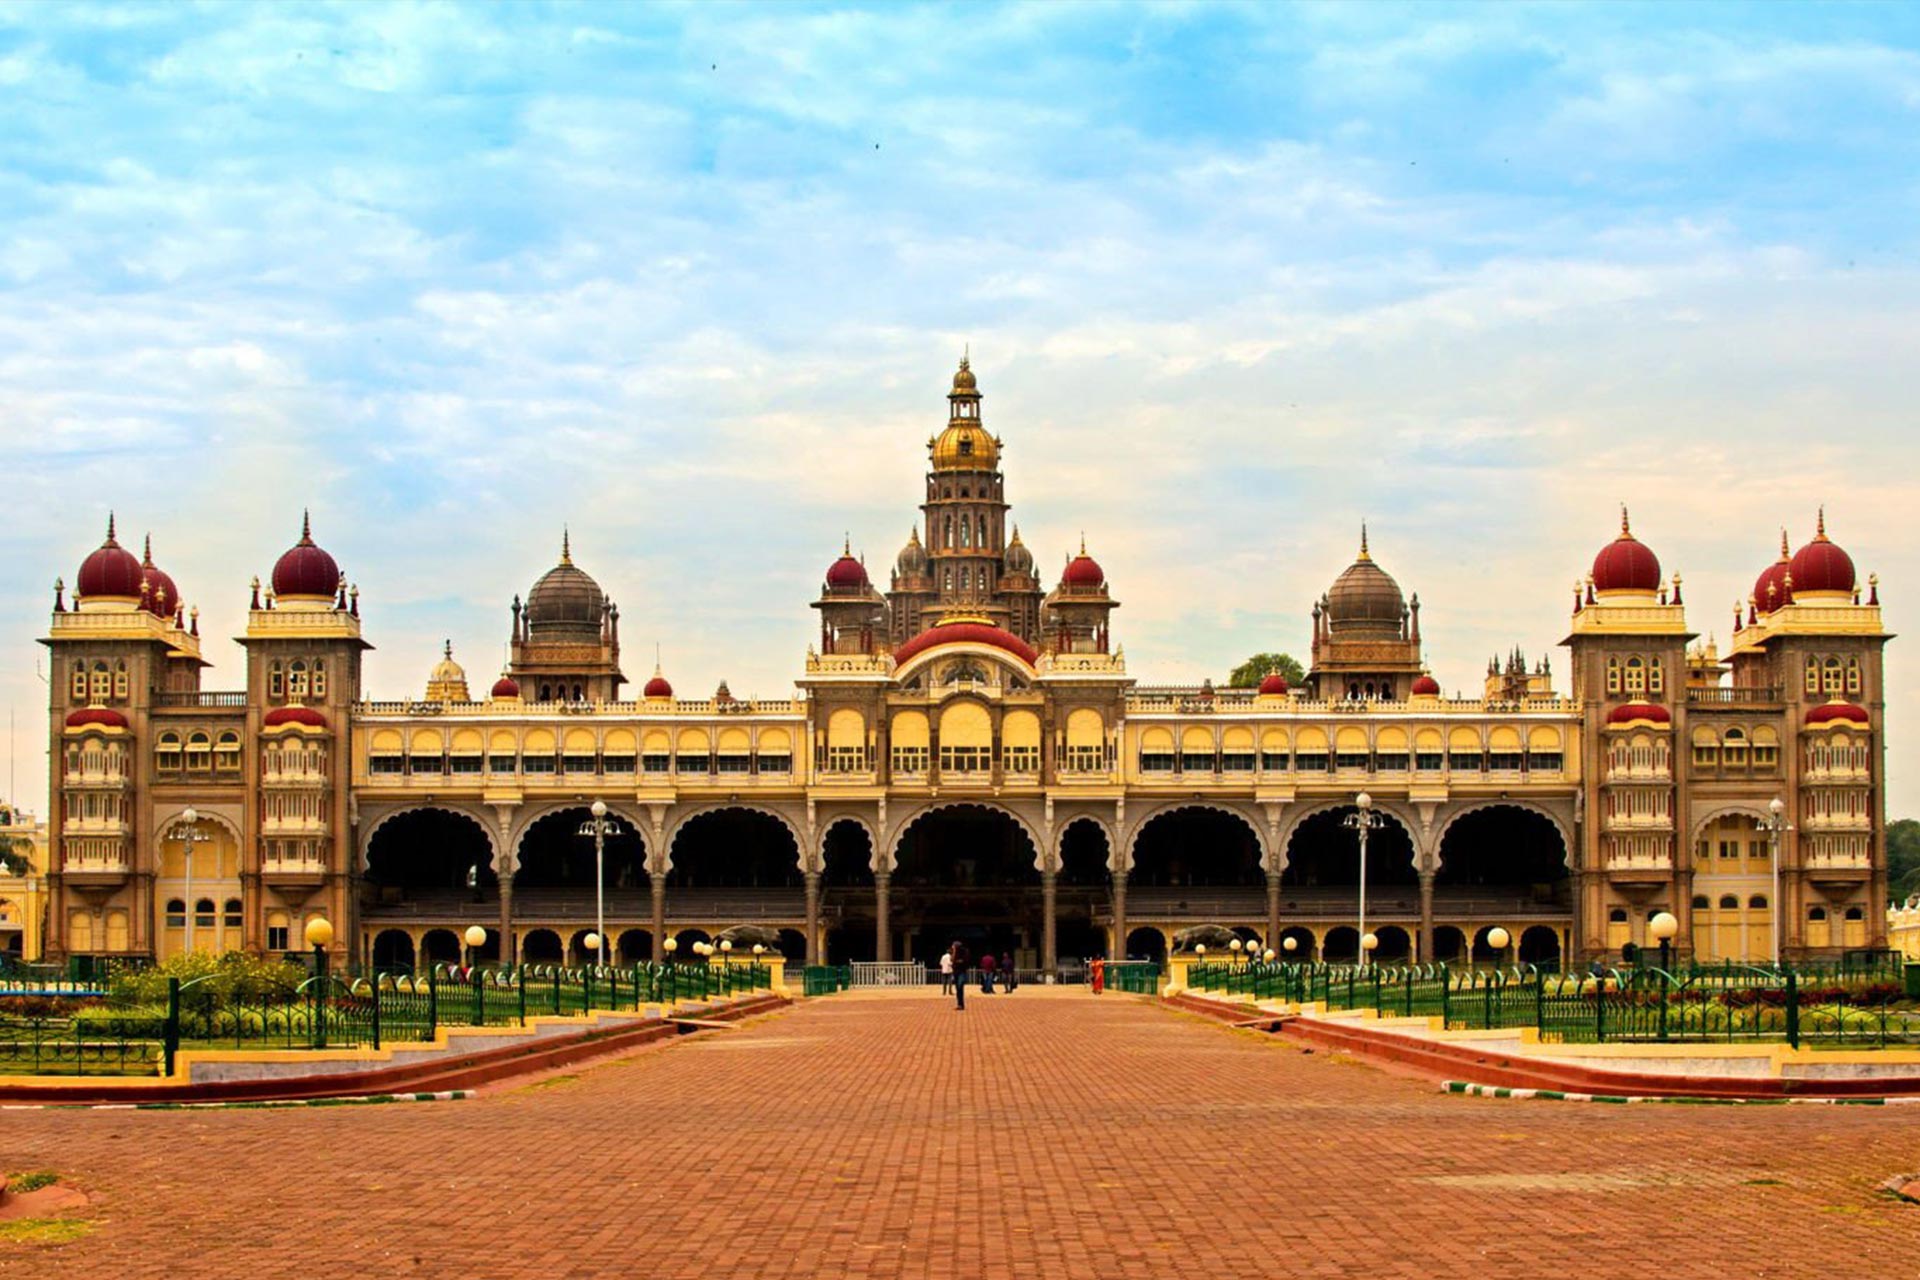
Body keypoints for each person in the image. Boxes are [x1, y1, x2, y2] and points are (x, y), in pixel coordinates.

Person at [949, 940, 969, 1010]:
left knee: (960, 986)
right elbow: (952, 960)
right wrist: (954, 951)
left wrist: (957, 961)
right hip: (956, 972)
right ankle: (960, 1004)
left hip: (962, 972)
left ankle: (961, 1004)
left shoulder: (964, 952)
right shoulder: (953, 952)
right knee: (958, 989)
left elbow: (964, 961)